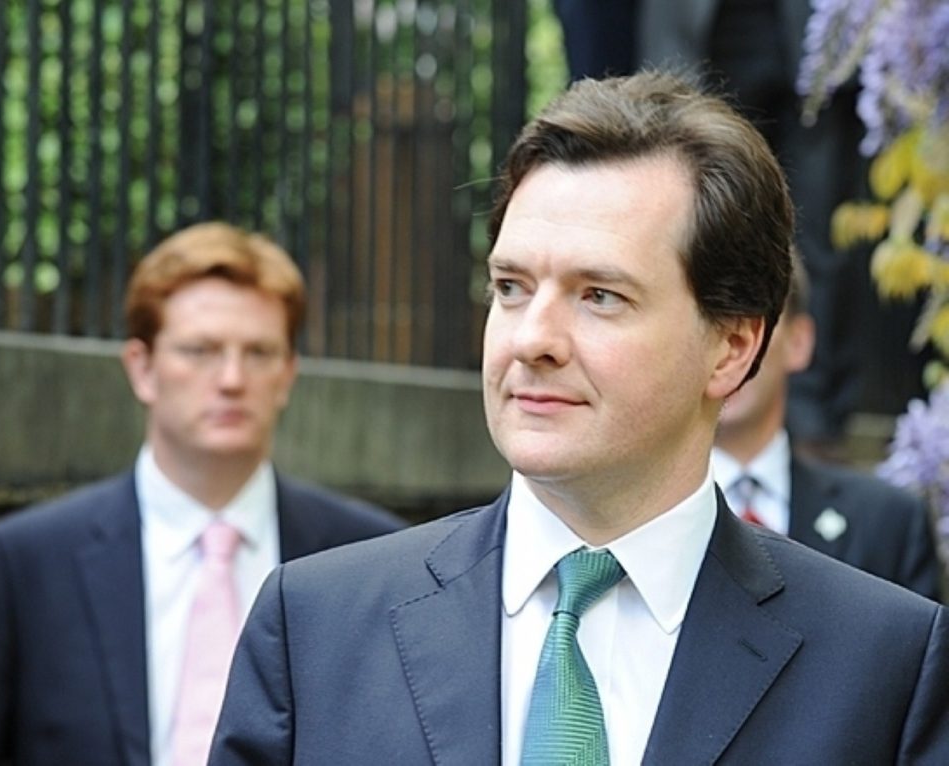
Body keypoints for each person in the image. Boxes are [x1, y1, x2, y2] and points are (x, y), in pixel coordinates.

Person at [209, 72, 949, 765]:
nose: (532, 339)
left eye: (599, 295)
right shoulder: (315, 627)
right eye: (511, 286)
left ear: (731, 346)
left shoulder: (884, 664)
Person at [0, 222, 405, 766]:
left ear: (288, 374)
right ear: (142, 368)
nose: (230, 378)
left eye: (258, 352)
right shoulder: (25, 562)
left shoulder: (369, 556)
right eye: (200, 350)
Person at [638, 0, 871, 450]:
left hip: (816, 30)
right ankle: (692, 397)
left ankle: (812, 424)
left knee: (821, 241)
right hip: (713, 27)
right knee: (702, 217)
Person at [713, 252, 942, 601]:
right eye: (710, 320)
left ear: (799, 341)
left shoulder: (887, 525)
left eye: (748, 321)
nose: (729, 351)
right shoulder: (630, 515)